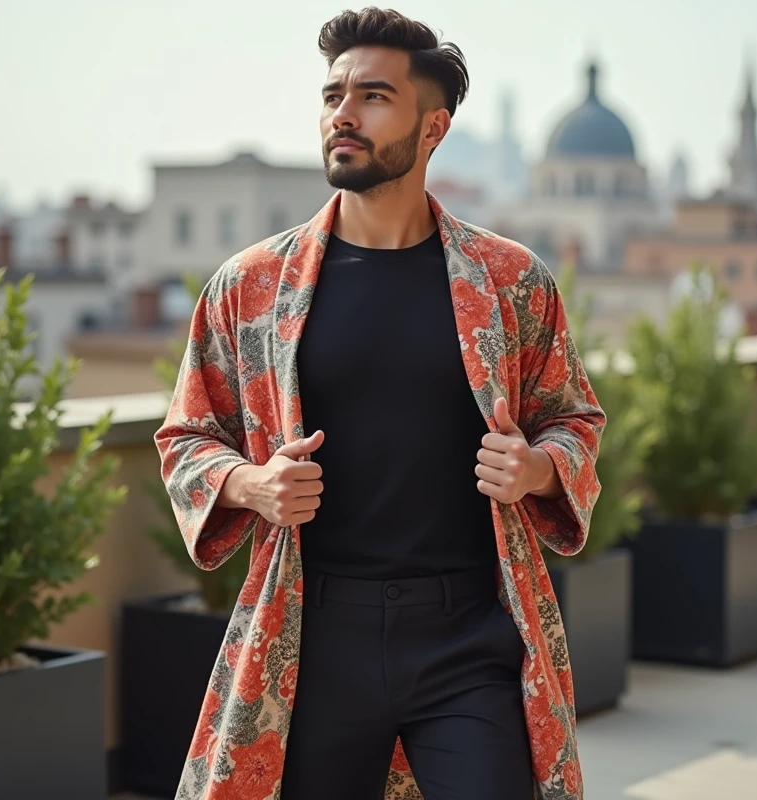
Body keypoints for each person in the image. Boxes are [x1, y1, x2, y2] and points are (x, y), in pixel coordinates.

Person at [154, 8, 606, 800]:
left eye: (372, 97)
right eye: (332, 95)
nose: (343, 114)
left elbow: (575, 419)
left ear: (432, 127)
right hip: (312, 636)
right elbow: (188, 435)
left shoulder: (510, 282)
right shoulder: (253, 288)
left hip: (468, 634)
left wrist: (538, 467)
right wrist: (250, 485)